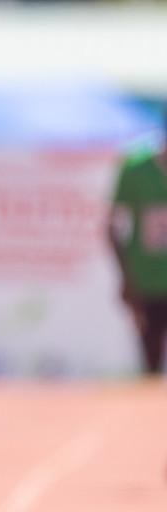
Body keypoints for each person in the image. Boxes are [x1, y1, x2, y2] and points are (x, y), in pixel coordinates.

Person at [109, 117, 167, 374]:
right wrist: (126, 278)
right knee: (150, 354)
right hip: (147, 280)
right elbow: (112, 226)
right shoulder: (136, 170)